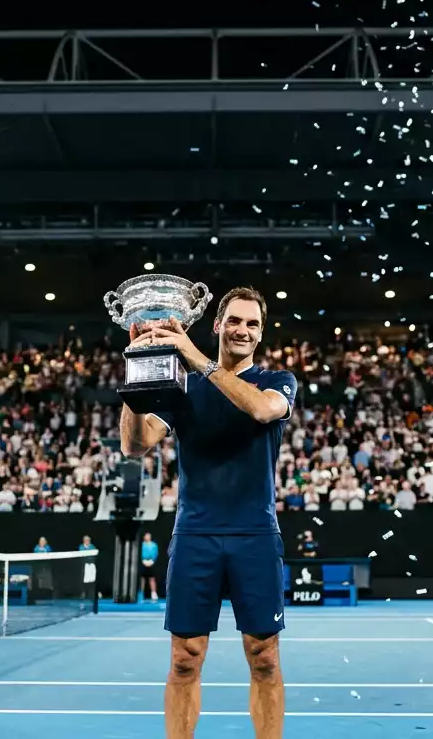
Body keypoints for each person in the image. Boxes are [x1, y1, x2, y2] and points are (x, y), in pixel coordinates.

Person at [121, 286, 297, 739]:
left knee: (265, 657)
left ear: (260, 334)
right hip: (195, 535)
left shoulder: (278, 382)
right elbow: (134, 444)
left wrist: (193, 354)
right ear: (218, 325)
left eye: (252, 323)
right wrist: (137, 371)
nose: (243, 329)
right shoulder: (182, 387)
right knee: (184, 659)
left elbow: (261, 411)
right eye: (234, 320)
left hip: (255, 534)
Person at [140, 532, 160, 602]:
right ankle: (141, 594)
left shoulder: (154, 545)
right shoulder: (142, 545)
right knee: (142, 579)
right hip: (143, 562)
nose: (147, 537)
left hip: (151, 563)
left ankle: (153, 593)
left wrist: (152, 561)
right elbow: (140, 553)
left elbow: (155, 553)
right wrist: (143, 560)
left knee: (152, 579)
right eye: (146, 536)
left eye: (149, 536)